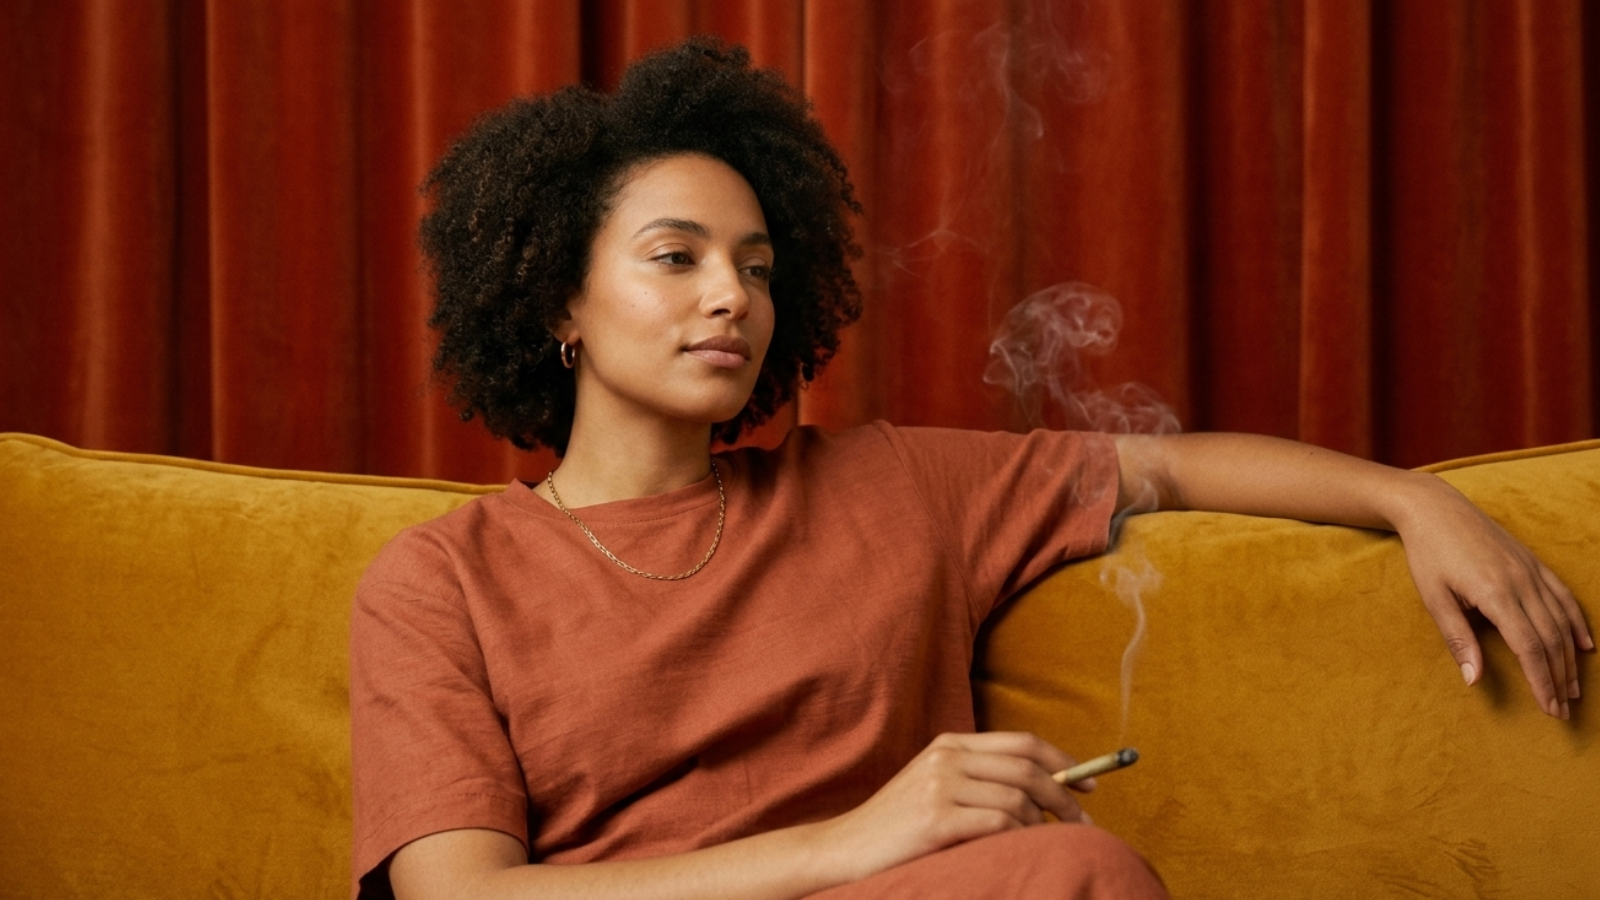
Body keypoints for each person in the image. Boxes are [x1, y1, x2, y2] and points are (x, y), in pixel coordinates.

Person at [348, 37, 1591, 900]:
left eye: (761, 266)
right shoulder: (440, 581)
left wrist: (1412, 499)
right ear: (558, 294)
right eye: (675, 258)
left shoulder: (892, 486)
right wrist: (856, 840)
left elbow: (1171, 468)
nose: (733, 296)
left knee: (1070, 872)